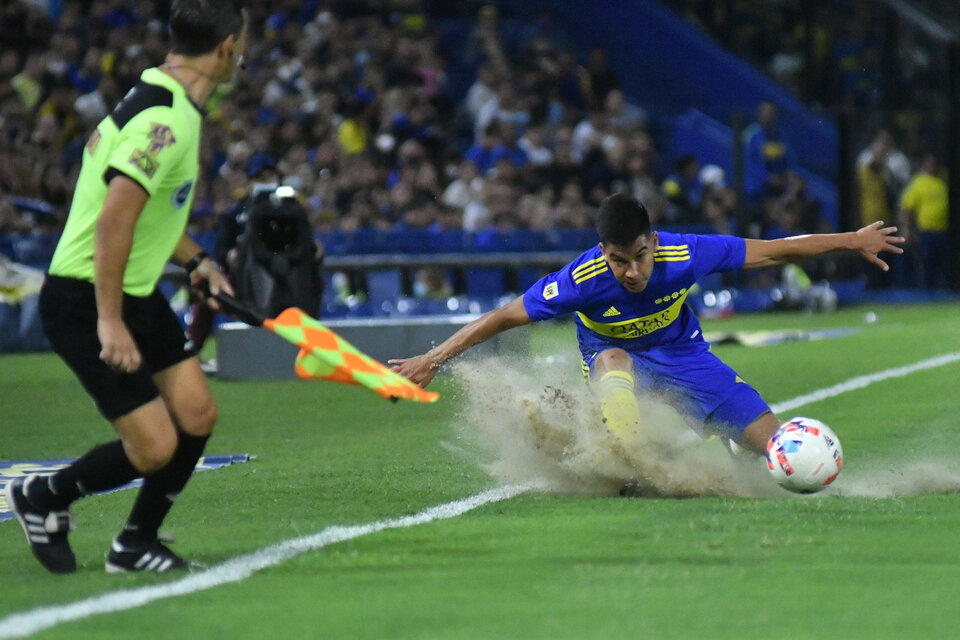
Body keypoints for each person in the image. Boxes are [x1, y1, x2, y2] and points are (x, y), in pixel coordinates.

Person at [389, 193, 903, 489]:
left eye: (639, 255)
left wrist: (851, 240)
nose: (631, 271)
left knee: (772, 452)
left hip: (686, 357)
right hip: (616, 361)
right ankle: (630, 462)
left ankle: (721, 445)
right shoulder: (580, 279)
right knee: (612, 355)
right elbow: (501, 318)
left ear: (654, 241)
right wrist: (433, 359)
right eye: (618, 260)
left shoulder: (686, 253)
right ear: (602, 252)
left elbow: (773, 252)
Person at [6, 0, 248, 574]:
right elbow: (116, 216)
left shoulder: (167, 100)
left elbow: (152, 211)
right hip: (86, 296)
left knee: (197, 413)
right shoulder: (165, 120)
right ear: (226, 49)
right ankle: (43, 497)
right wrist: (108, 320)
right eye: (243, 45)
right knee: (155, 446)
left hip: (131, 291)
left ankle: (135, 542)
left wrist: (196, 262)